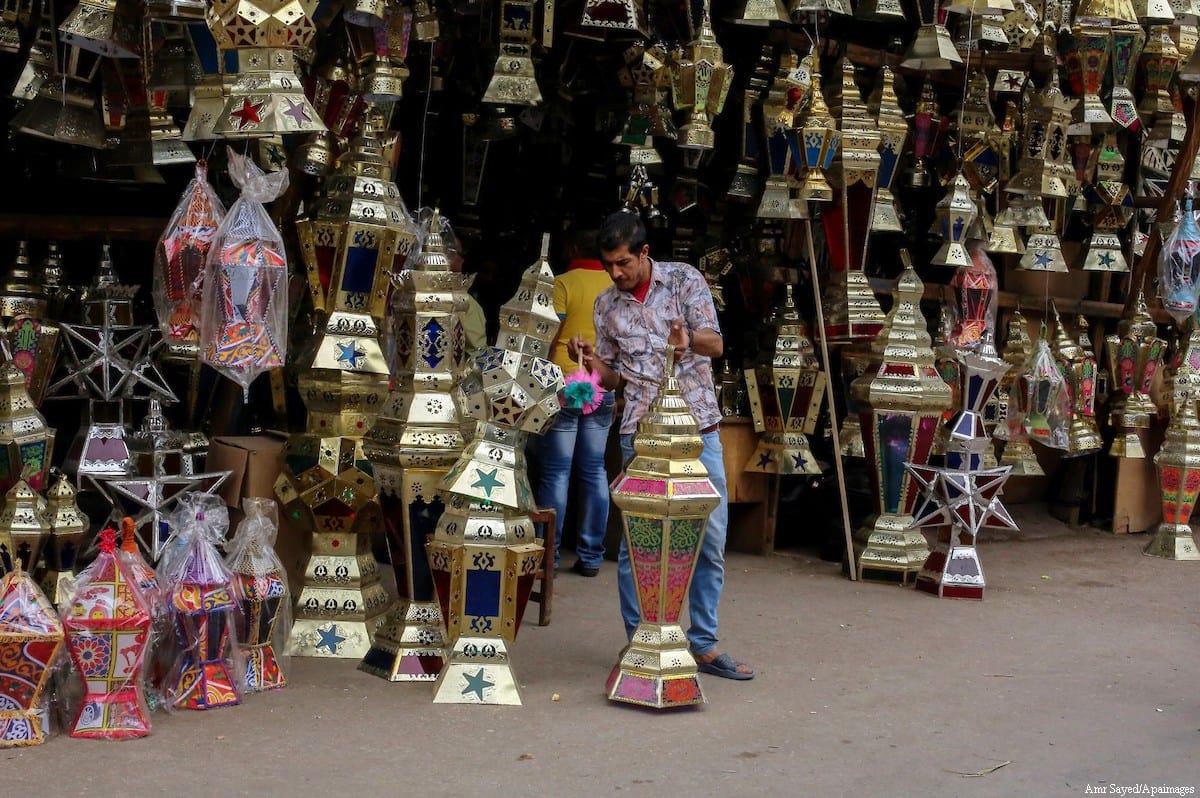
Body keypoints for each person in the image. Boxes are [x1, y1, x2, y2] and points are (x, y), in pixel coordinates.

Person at [568, 211, 754, 681]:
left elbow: (716, 344)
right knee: (639, 545)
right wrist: (591, 363)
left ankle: (704, 645)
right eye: (609, 264)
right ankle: (642, 640)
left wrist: (686, 338)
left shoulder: (684, 280)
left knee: (710, 538)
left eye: (624, 263)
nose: (616, 273)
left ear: (644, 254)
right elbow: (611, 380)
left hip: (698, 430)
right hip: (640, 433)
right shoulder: (607, 305)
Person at [538, 228, 615, 576]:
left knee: (556, 472)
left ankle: (548, 557)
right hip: (603, 382)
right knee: (594, 470)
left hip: (564, 382)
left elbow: (549, 334)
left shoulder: (563, 283)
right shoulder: (616, 284)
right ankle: (591, 556)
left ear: (570, 248)